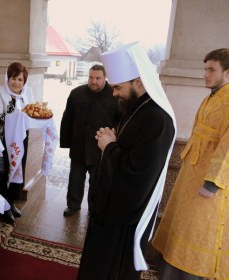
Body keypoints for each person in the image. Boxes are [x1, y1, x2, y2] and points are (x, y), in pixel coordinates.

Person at [77, 42, 176, 280]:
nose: (114, 93)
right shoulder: (134, 107)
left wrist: (109, 146)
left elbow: (137, 173)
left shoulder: (157, 119)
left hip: (124, 217)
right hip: (109, 208)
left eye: (118, 87)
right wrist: (110, 142)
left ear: (139, 82)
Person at [151, 48, 229, 280]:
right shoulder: (213, 95)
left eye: (212, 70)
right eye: (205, 69)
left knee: (198, 229)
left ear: (227, 72)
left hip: (208, 177)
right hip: (192, 169)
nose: (205, 74)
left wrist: (212, 182)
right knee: (183, 224)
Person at [60, 64, 119, 217]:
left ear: (105, 78)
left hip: (100, 148)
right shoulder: (76, 93)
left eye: (98, 78)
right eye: (91, 77)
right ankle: (73, 205)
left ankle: (94, 208)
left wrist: (114, 146)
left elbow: (119, 122)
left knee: (97, 182)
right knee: (75, 179)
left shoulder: (115, 96)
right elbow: (67, 119)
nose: (94, 81)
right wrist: (66, 142)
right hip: (79, 145)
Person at [0, 62, 35, 223]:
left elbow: (32, 112)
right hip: (4, 140)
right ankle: (3, 206)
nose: (16, 83)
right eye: (13, 78)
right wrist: (16, 117)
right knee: (5, 171)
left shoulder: (27, 93)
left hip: (22, 138)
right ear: (8, 78)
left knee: (18, 170)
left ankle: (12, 202)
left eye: (20, 80)